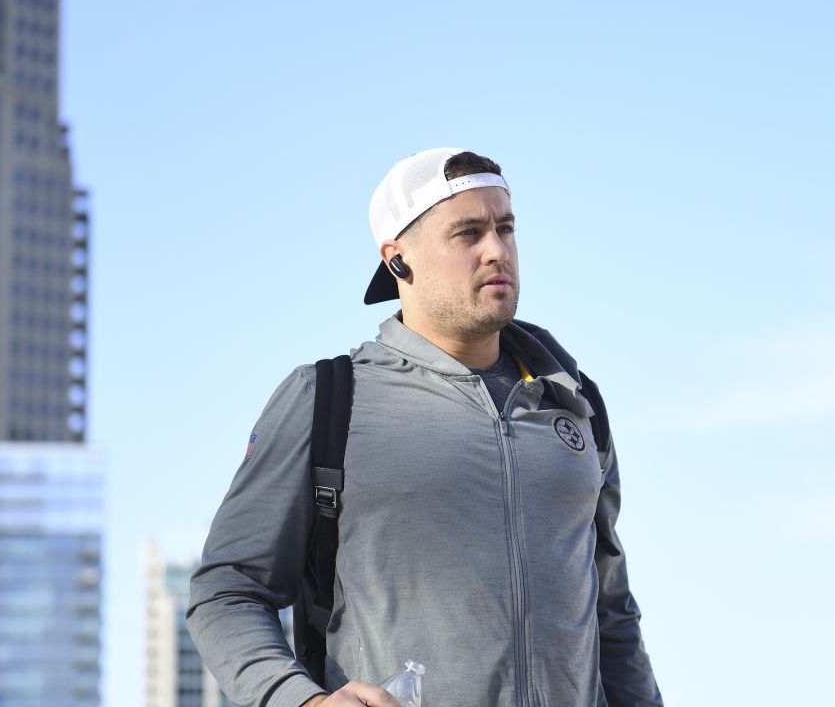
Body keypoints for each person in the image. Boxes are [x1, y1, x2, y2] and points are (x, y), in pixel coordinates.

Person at [187, 148, 663, 707]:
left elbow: (610, 612)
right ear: (397, 260)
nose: (496, 251)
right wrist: (301, 701)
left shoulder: (577, 405)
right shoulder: (327, 399)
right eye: (467, 233)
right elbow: (227, 591)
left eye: (505, 228)